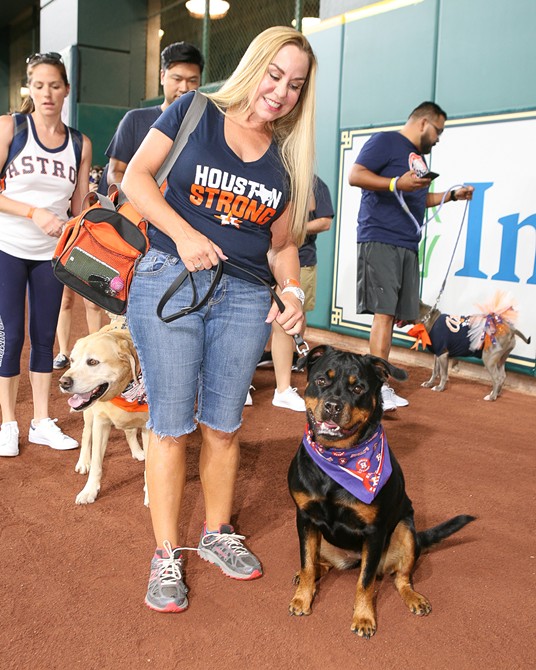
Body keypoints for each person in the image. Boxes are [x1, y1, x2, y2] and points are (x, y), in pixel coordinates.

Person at [121, 26, 317, 613]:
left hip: (243, 298)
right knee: (171, 423)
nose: (280, 92)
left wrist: (292, 291)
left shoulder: (286, 157)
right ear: (255, 66)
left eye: (295, 85)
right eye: (275, 75)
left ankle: (213, 534)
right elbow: (135, 178)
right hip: (170, 281)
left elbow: (282, 246)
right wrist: (183, 234)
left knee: (225, 425)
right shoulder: (194, 111)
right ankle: (165, 554)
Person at [349, 101, 474, 411]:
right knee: (385, 312)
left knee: (394, 315)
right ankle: (376, 388)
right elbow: (355, 175)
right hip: (380, 237)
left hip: (407, 243)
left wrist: (451, 196)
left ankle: (379, 383)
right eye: (438, 131)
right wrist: (394, 182)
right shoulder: (385, 141)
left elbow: (415, 196)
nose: (439, 138)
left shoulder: (415, 157)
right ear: (423, 123)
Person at [0, 51, 92, 457]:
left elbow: (77, 208)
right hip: (8, 246)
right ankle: (7, 422)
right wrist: (33, 211)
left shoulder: (79, 143)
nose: (47, 93)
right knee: (10, 336)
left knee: (44, 338)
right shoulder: (10, 128)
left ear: (66, 89)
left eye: (55, 85)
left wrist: (97, 211)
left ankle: (40, 420)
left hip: (50, 254)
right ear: (29, 89)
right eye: (38, 85)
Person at [98, 41, 204, 193]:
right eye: (177, 79)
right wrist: (145, 200)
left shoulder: (204, 128)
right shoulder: (135, 120)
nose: (184, 88)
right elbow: (115, 173)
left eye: (192, 81)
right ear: (162, 76)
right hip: (133, 209)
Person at [269, 175, 334, 412]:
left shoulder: (316, 184)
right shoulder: (269, 174)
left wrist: (293, 229)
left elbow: (325, 221)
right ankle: (244, 385)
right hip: (257, 258)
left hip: (300, 259)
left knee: (289, 319)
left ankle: (284, 387)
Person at [51, 164, 105, 370]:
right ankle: (63, 352)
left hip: (88, 249)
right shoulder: (64, 195)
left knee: (92, 304)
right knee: (64, 301)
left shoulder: (101, 196)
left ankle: (95, 351)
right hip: (65, 246)